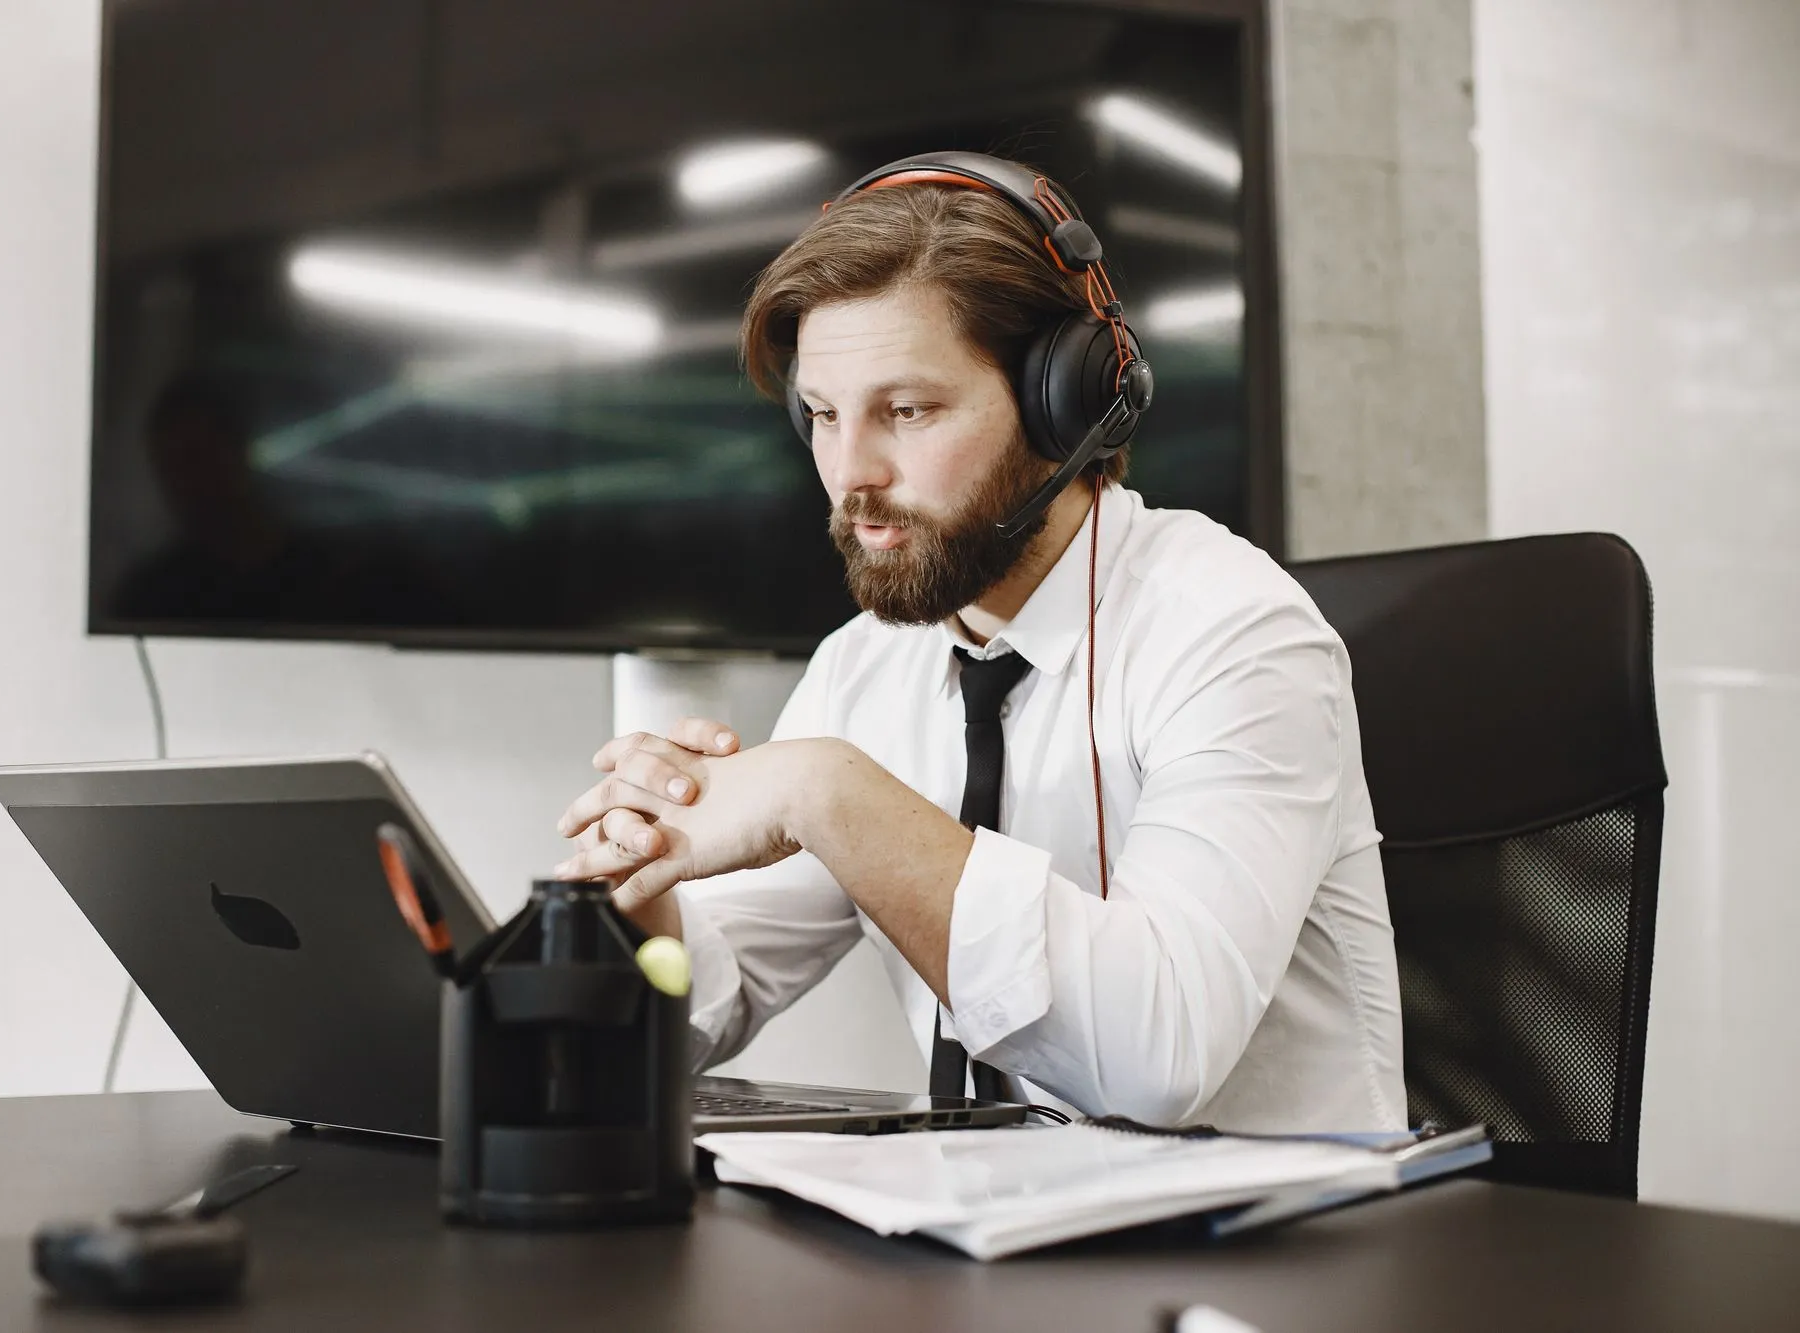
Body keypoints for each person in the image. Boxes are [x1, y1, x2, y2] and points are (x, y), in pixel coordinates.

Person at [551, 154, 1406, 1132]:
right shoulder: (864, 665)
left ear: (1064, 402)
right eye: (823, 416)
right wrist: (637, 893)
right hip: (980, 1243)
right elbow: (706, 995)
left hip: (1277, 1253)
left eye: (905, 411)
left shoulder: (1232, 630)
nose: (850, 473)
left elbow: (1157, 1059)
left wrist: (825, 791)